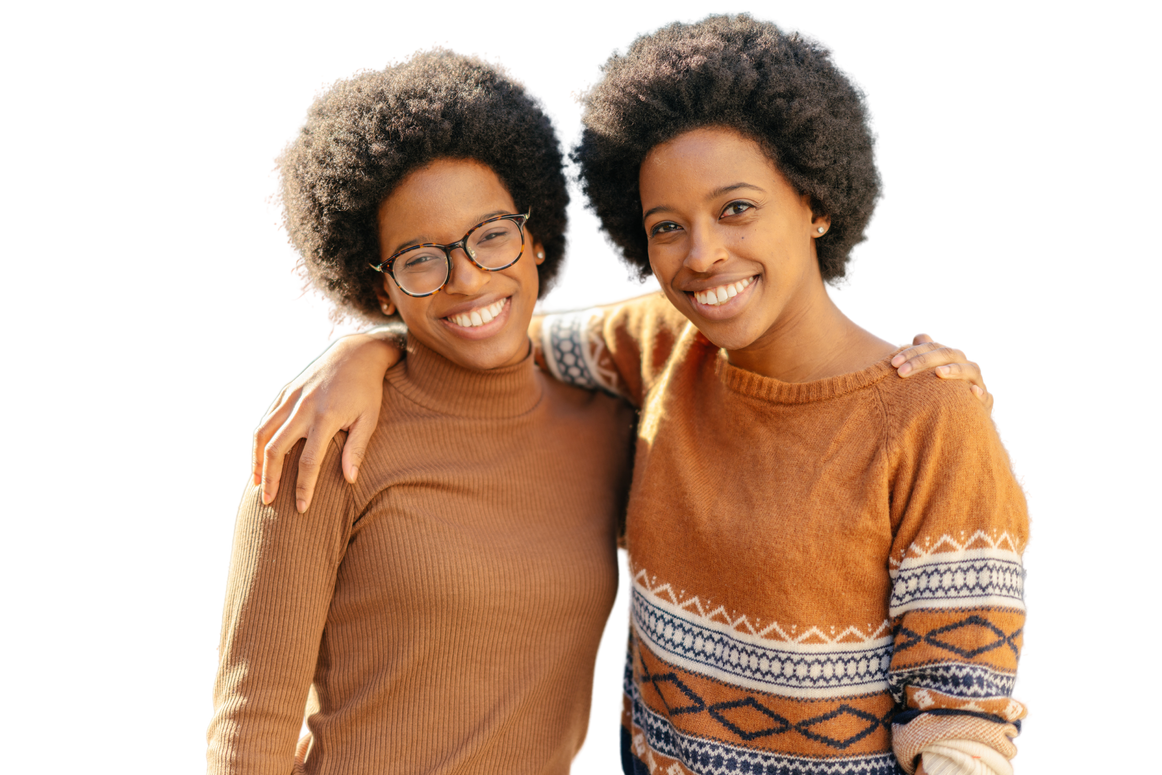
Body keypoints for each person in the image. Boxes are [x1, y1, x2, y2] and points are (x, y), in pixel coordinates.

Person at [245, 15, 1023, 775]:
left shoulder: (930, 410)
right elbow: (492, 331)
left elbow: (964, 719)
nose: (704, 254)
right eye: (665, 226)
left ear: (815, 200)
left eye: (737, 208)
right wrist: (365, 348)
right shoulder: (659, 343)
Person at [206, 43, 639, 773]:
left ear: (534, 239)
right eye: (419, 257)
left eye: (493, 236)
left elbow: (699, 318)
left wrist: (902, 366)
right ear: (380, 288)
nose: (467, 279)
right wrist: (364, 349)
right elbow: (251, 726)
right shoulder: (326, 437)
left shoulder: (612, 425)